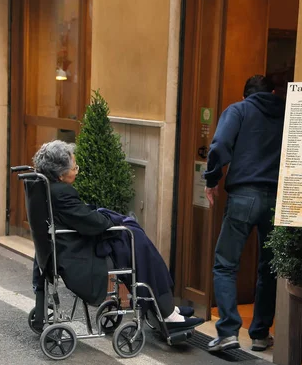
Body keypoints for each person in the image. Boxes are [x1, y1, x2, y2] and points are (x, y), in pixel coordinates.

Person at [30, 140, 203, 332]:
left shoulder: (43, 186)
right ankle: (167, 313)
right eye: (74, 167)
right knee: (136, 241)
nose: (77, 171)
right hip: (79, 255)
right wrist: (112, 220)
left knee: (133, 239)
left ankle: (165, 307)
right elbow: (94, 224)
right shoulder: (62, 193)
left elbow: (81, 217)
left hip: (65, 249)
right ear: (60, 174)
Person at [203, 75, 286, 352]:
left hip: (243, 196)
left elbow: (220, 146)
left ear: (245, 95)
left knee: (225, 264)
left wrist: (212, 179)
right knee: (269, 267)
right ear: (272, 92)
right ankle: (261, 334)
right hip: (278, 198)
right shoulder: (287, 113)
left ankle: (228, 331)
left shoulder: (238, 110)